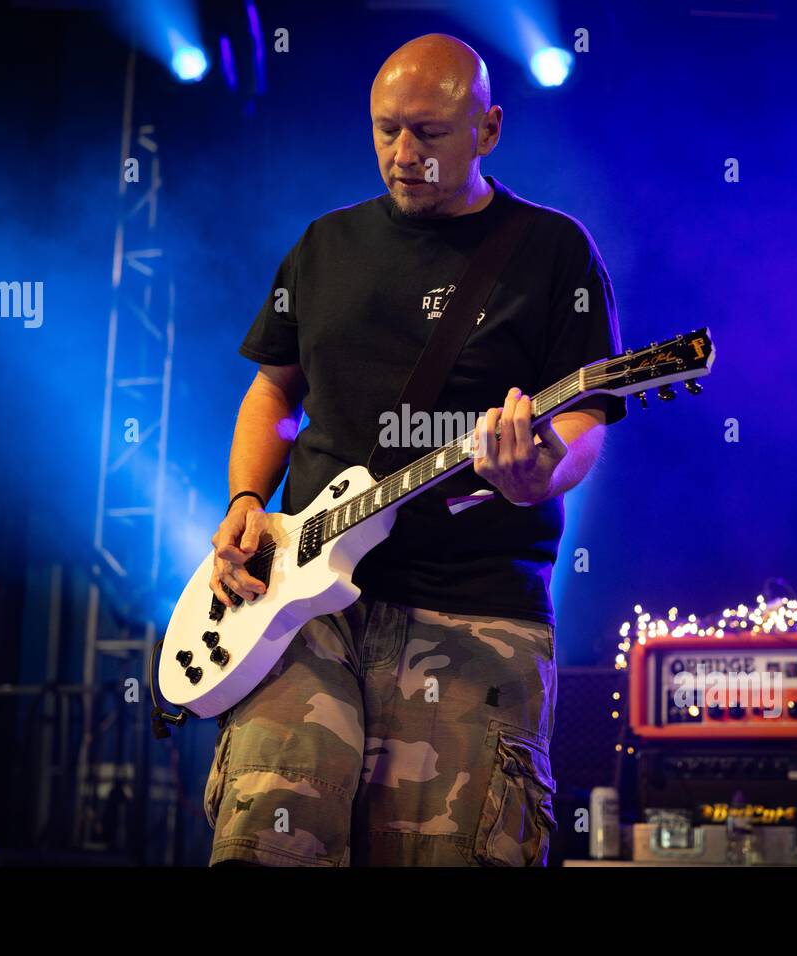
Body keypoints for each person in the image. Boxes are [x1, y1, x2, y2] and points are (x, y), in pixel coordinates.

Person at [203, 33, 625, 866]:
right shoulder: (324, 245)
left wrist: (540, 474)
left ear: (488, 129)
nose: (403, 156)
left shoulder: (552, 253)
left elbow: (584, 419)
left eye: (429, 134)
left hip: (472, 614)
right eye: (386, 131)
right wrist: (246, 502)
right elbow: (273, 391)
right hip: (303, 611)